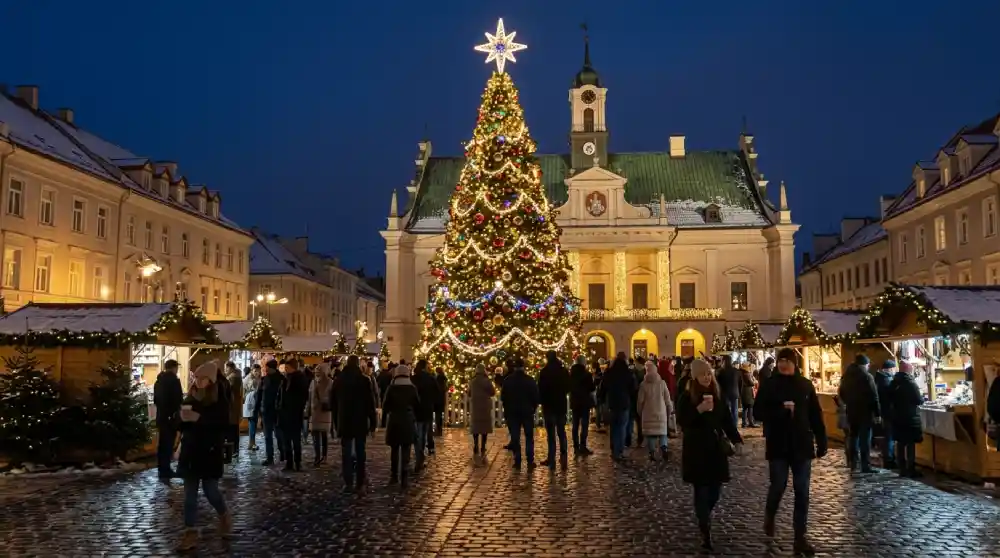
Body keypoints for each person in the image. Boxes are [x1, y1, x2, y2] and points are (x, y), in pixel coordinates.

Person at [754, 347, 827, 556]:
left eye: (788, 360)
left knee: (802, 491)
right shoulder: (769, 385)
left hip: (801, 444)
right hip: (778, 444)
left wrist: (821, 439)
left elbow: (815, 413)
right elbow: (758, 412)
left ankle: (800, 537)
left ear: (795, 363)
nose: (784, 364)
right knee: (778, 485)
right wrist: (780, 411)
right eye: (781, 360)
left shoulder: (805, 385)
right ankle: (770, 515)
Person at [677, 359, 742, 551]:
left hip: (715, 450)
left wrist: (736, 439)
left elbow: (727, 421)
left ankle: (704, 514)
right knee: (701, 489)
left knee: (715, 490)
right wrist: (699, 410)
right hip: (696, 450)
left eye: (708, 374)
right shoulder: (687, 397)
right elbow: (683, 421)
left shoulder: (717, 395)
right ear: (695, 376)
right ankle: (705, 526)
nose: (706, 377)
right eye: (702, 374)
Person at [175, 362, 231, 551]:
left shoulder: (219, 400)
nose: (198, 382)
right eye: (196, 378)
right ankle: (189, 533)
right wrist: (181, 419)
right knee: (189, 497)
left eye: (202, 378)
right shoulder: (189, 398)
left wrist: (200, 419)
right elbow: (180, 424)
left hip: (209, 453)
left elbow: (221, 424)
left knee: (211, 492)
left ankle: (223, 515)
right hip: (190, 452)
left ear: (211, 380)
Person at [331, 355, 378, 494]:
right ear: (357, 364)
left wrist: (335, 422)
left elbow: (333, 403)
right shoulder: (364, 380)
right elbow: (370, 403)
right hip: (360, 420)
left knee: (346, 453)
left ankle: (348, 482)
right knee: (360, 452)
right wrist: (373, 423)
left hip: (344, 420)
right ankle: (360, 481)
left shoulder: (339, 380)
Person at [838, 354, 880, 473]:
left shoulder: (846, 376)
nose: (868, 367)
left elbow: (841, 393)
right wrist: (877, 413)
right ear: (864, 365)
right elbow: (873, 396)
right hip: (865, 412)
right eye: (867, 365)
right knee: (865, 440)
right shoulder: (867, 377)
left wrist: (849, 403)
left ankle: (853, 463)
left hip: (851, 412)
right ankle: (865, 465)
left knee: (853, 438)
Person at [382, 362, 419, 488]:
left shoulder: (392, 388)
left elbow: (385, 405)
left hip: (394, 421)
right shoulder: (412, 388)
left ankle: (393, 476)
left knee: (394, 449)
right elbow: (417, 404)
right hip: (408, 421)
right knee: (406, 450)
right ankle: (404, 477)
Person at [501, 356, 540, 469]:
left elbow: (503, 397)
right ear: (524, 367)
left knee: (515, 437)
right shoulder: (529, 380)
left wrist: (507, 409)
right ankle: (530, 460)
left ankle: (517, 460)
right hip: (527, 411)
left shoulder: (508, 380)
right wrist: (533, 407)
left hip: (513, 412)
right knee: (528, 436)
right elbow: (535, 396)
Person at [598, 352, 637, 461]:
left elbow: (603, 387)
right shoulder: (628, 373)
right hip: (624, 403)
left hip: (612, 403)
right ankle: (619, 450)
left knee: (614, 427)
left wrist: (601, 398)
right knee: (622, 427)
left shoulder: (609, 372)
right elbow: (633, 389)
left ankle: (614, 449)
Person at [888, 361, 924, 478]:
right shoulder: (910, 383)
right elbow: (919, 400)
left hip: (897, 417)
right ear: (908, 370)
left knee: (900, 443)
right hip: (909, 417)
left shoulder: (893, 382)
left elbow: (889, 398)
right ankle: (911, 468)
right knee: (910, 444)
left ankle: (902, 469)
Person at [538, 351, 571, 468]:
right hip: (560, 405)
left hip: (548, 406)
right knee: (561, 431)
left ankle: (551, 458)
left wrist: (542, 400)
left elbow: (540, 389)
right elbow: (568, 386)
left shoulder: (544, 372)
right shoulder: (563, 371)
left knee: (551, 434)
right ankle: (563, 454)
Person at [637, 359, 673, 461]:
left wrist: (640, 411)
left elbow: (640, 401)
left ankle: (652, 452)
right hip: (661, 412)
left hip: (648, 413)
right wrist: (669, 409)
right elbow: (667, 398)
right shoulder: (662, 383)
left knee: (651, 434)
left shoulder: (643, 384)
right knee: (662, 433)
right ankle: (664, 447)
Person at [277, 360, 310, 472]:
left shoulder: (300, 379)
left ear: (293, 367)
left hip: (295, 414)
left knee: (295, 440)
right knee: (287, 440)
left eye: (287, 367)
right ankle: (289, 463)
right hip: (285, 414)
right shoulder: (285, 379)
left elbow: (302, 397)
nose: (285, 369)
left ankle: (297, 462)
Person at [153, 359, 183, 481]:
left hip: (161, 417)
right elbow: (178, 399)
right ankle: (166, 469)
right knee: (168, 444)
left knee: (162, 444)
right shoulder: (174, 381)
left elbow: (156, 399)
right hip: (171, 418)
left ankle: (162, 468)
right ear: (173, 368)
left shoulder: (159, 380)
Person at [411, 360, 439, 469]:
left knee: (418, 432)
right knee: (424, 432)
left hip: (417, 409)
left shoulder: (414, 378)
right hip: (427, 408)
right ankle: (420, 455)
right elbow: (437, 392)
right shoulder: (430, 378)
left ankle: (419, 454)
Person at [257, 360, 283, 465]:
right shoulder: (264, 379)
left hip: (277, 412)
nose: (265, 369)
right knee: (268, 436)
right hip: (266, 412)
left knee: (279, 434)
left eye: (267, 367)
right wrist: (258, 410)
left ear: (272, 368)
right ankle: (270, 457)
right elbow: (259, 395)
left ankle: (283, 454)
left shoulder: (281, 379)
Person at [569, 354, 595, 456]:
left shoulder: (571, 374)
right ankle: (582, 446)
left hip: (575, 402)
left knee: (575, 425)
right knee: (584, 425)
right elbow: (592, 388)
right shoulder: (586, 374)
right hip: (584, 402)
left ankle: (576, 447)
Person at [873, 359, 897, 469]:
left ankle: (887, 457)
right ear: (890, 369)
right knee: (889, 437)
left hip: (884, 412)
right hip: (888, 412)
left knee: (887, 436)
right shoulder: (886, 380)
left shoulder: (879, 378)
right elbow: (889, 397)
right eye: (893, 369)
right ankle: (889, 459)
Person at [309, 364, 334, 466]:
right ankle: (318, 456)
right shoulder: (314, 382)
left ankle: (322, 456)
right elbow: (309, 397)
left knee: (323, 436)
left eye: (319, 371)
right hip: (316, 412)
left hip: (324, 411)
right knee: (316, 435)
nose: (317, 372)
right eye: (316, 371)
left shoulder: (329, 382)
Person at [469, 363, 496, 457]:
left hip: (475, 406)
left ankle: (476, 445)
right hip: (485, 406)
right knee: (484, 427)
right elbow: (492, 392)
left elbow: (469, 392)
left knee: (476, 427)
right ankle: (483, 446)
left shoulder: (472, 381)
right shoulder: (487, 381)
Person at [223, 362, 243, 462]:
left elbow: (227, 393)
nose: (225, 370)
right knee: (234, 430)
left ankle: (233, 450)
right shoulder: (237, 377)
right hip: (235, 407)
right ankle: (235, 449)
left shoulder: (232, 378)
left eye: (226, 368)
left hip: (231, 407)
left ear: (230, 368)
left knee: (231, 430)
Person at [716, 355, 742, 428]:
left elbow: (718, 384)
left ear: (724, 361)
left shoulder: (721, 371)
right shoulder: (736, 371)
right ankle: (734, 427)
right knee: (735, 412)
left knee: (727, 412)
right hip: (735, 393)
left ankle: (728, 428)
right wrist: (739, 392)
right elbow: (740, 383)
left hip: (725, 394)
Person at [242, 364, 262, 451]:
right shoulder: (250, 379)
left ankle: (252, 443)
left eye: (258, 371)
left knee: (253, 422)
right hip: (251, 402)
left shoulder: (256, 378)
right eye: (255, 371)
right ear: (252, 370)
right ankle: (251, 443)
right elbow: (249, 390)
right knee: (252, 423)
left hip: (254, 403)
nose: (257, 373)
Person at [435, 366, 449, 436]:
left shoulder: (437, 379)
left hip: (437, 400)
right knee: (439, 415)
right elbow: (446, 388)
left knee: (438, 416)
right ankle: (439, 430)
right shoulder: (444, 380)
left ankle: (438, 429)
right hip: (441, 400)